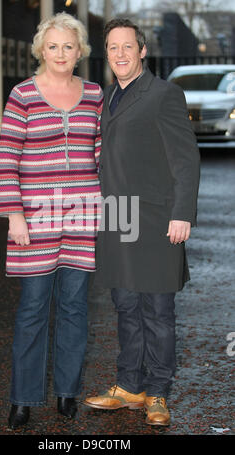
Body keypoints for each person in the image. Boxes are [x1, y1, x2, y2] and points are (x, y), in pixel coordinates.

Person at [83, 19, 200, 426]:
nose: (119, 54)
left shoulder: (164, 94)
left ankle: (158, 393)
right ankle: (129, 385)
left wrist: (182, 212)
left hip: (155, 218)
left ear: (143, 50)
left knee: (157, 309)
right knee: (126, 305)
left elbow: (185, 160)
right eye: (112, 47)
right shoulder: (107, 98)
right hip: (117, 217)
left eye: (127, 46)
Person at [0, 12, 103, 430]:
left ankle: (66, 392)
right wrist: (14, 216)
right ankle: (23, 398)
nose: (61, 53)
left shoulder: (94, 93)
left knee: (75, 307)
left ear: (79, 52)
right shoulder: (23, 94)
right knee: (33, 308)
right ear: (42, 49)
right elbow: (7, 159)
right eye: (53, 46)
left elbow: (100, 153)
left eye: (69, 46)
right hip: (34, 219)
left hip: (81, 215)